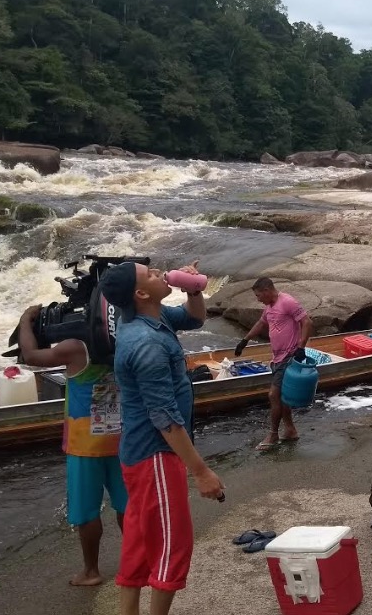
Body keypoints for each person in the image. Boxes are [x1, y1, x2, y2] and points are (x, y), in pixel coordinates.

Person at [98, 261, 225, 615]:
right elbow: (164, 418)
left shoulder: (152, 318)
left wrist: (194, 290)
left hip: (139, 452)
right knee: (173, 544)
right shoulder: (147, 343)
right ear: (141, 293)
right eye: (151, 274)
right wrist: (201, 471)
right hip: (156, 454)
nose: (160, 273)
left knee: (139, 540)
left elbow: (194, 318)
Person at [17, 306, 127, 588]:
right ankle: (137, 560)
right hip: (122, 438)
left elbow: (30, 356)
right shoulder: (125, 338)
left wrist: (25, 321)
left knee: (87, 511)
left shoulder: (75, 348)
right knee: (128, 505)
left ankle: (91, 571)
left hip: (84, 445)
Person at [234, 278, 314, 451]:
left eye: (258, 295)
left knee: (273, 395)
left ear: (267, 290)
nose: (258, 299)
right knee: (282, 396)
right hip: (276, 358)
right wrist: (244, 341)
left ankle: (273, 435)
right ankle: (290, 430)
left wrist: (301, 347)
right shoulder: (269, 307)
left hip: (289, 356)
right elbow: (261, 323)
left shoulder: (287, 302)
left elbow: (307, 322)